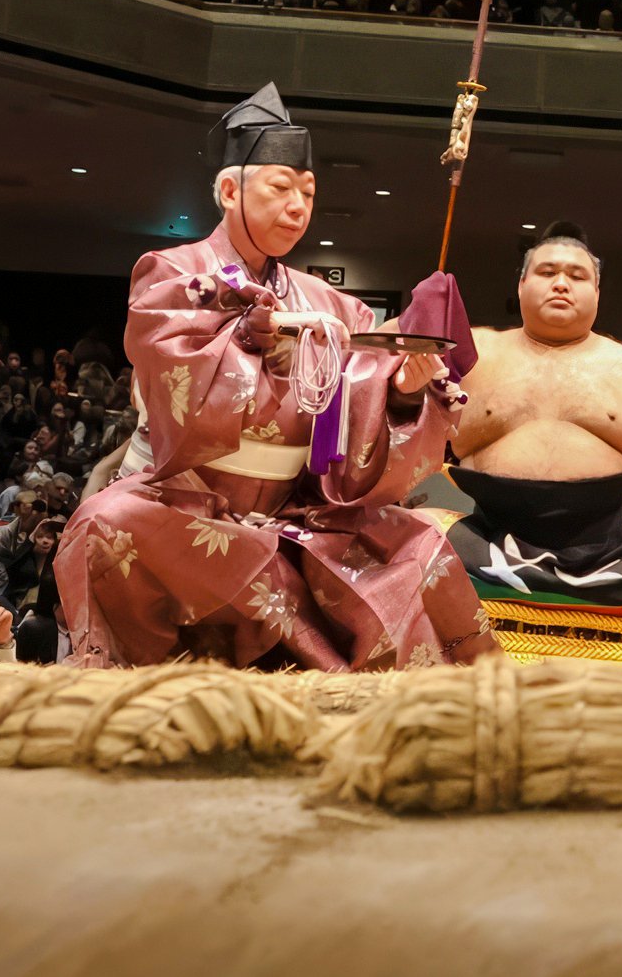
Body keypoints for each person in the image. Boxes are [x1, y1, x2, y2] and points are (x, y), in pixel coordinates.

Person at [57, 83, 491, 671]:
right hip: (186, 504)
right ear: (231, 190)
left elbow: (366, 382)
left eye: (308, 193)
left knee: (418, 542)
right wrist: (253, 339)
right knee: (104, 525)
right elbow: (172, 362)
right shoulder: (172, 272)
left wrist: (402, 390)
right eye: (281, 189)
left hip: (300, 512)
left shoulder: (334, 306)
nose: (298, 207)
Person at [423, 222, 622, 664]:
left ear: (597, 290)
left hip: (605, 554)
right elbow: (403, 413)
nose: (561, 283)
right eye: (547, 271)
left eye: (577, 276)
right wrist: (416, 335)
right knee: (406, 538)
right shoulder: (472, 353)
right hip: (487, 542)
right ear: (520, 284)